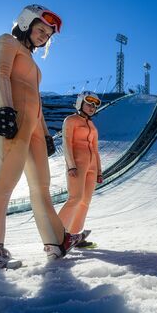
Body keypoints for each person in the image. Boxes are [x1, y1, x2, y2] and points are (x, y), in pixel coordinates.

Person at [0, 5, 88, 270]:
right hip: (12, 114)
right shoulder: (6, 41)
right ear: (26, 23)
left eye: (48, 34)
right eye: (41, 29)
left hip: (32, 123)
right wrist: (5, 110)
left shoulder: (32, 62)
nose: (45, 36)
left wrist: (45, 134)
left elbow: (37, 100)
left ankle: (56, 240)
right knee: (5, 180)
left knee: (41, 185)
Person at [58, 91, 103, 248]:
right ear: (80, 103)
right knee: (75, 198)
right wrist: (71, 164)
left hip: (91, 166)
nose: (92, 107)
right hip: (77, 164)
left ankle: (75, 235)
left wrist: (99, 171)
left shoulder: (92, 126)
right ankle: (56, 234)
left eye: (95, 105)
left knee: (85, 202)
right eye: (89, 103)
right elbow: (67, 143)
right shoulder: (71, 120)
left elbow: (95, 149)